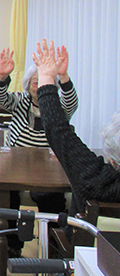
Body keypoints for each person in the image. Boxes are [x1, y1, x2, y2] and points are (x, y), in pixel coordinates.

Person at [0, 46, 79, 258]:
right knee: (8, 195)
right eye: (34, 81)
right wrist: (2, 76)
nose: (37, 85)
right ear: (28, 85)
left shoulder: (56, 107)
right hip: (16, 166)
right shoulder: (21, 101)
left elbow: (71, 104)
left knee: (51, 199)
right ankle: (13, 246)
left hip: (48, 168)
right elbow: (1, 99)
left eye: (42, 81)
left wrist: (63, 75)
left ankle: (54, 248)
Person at [33, 39, 120, 215]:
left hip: (87, 243)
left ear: (111, 157)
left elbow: (58, 130)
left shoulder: (94, 178)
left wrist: (46, 77)